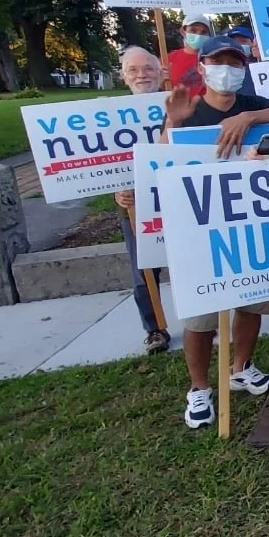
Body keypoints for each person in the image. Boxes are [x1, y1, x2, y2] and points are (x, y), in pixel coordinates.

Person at [162, 35, 269, 429]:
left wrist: (248, 118)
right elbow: (160, 162)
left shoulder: (252, 105)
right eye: (218, 62)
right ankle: (199, 388)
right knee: (200, 317)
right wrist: (173, 123)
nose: (227, 70)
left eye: (235, 63)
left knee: (251, 303)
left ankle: (241, 367)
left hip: (248, 229)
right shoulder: (187, 110)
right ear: (202, 67)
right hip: (200, 232)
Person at [112, 46, 170, 355]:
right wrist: (117, 192)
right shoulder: (107, 116)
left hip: (178, 196)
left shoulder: (180, 106)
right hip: (135, 203)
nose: (141, 75)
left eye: (148, 68)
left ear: (161, 73)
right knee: (143, 270)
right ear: (123, 75)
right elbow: (101, 166)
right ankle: (154, 329)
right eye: (133, 70)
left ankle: (206, 321)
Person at [168, 13, 214, 94]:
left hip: (206, 105)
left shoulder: (214, 58)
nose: (198, 35)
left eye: (203, 32)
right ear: (183, 31)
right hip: (179, 105)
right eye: (193, 30)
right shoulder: (169, 59)